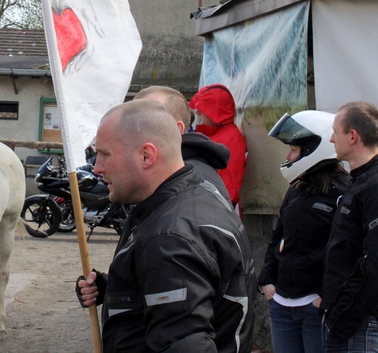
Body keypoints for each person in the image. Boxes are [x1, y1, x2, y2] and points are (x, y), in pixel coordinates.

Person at [76, 99, 255, 352]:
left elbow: (185, 343)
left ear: (147, 155)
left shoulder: (170, 237)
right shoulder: (197, 193)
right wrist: (114, 289)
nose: (97, 168)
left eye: (105, 154)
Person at [321, 101, 378, 352]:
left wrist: (345, 317)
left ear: (352, 136)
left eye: (335, 132)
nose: (331, 139)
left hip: (362, 324)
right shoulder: (363, 179)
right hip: (345, 319)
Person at [258, 111, 349, 353]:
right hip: (281, 302)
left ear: (313, 151)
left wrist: (323, 297)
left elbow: (347, 251)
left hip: (315, 306)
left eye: (294, 151)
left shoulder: (344, 191)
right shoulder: (297, 188)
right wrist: (267, 280)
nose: (288, 156)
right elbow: (279, 236)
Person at [135, 85, 232, 205]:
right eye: (131, 122)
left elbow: (230, 181)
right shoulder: (176, 167)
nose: (134, 131)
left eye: (147, 122)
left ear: (178, 129)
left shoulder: (193, 178)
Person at [189, 83, 248, 211]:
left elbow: (229, 183)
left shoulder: (231, 139)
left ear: (214, 111)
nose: (198, 112)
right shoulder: (220, 134)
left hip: (218, 207)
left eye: (202, 109)